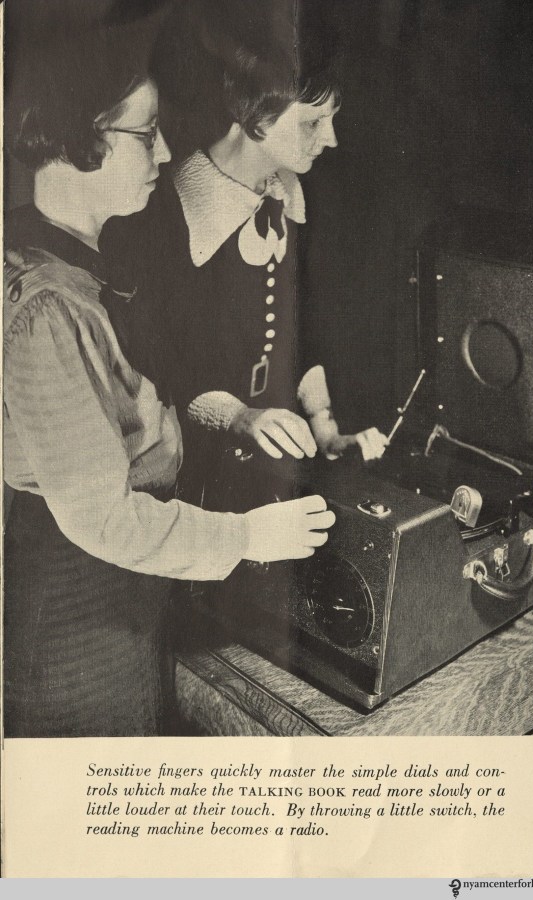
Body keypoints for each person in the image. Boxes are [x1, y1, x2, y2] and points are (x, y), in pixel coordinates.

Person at [3, 23, 335, 738]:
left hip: (119, 594)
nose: (162, 149)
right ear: (79, 136)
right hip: (76, 616)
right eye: (144, 133)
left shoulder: (78, 270)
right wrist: (247, 536)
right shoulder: (44, 309)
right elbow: (101, 520)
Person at [106, 0, 388, 513]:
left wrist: (327, 432)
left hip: (272, 473)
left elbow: (306, 333)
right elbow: (159, 365)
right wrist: (239, 417)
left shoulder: (294, 198)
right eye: (314, 123)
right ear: (257, 116)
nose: (332, 139)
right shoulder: (167, 212)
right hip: (183, 490)